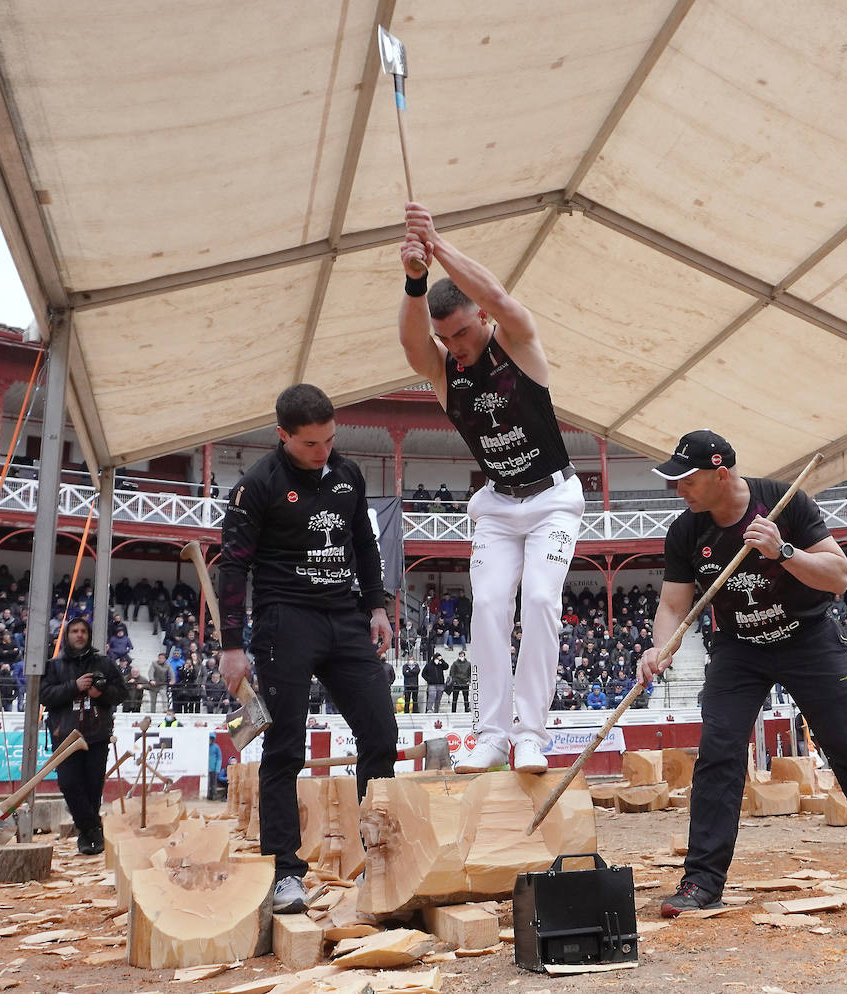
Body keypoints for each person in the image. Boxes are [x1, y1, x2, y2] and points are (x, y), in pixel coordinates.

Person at [638, 429, 847, 916]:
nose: (679, 490)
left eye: (686, 480)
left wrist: (784, 553)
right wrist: (660, 647)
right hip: (739, 649)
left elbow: (838, 577)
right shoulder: (686, 530)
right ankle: (701, 882)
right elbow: (673, 605)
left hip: (809, 639)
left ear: (720, 474)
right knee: (718, 756)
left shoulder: (784, 502)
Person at [398, 202, 585, 774]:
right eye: (444, 337)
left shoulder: (517, 341)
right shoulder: (443, 370)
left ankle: (531, 734)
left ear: (480, 316)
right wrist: (414, 278)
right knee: (488, 608)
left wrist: (438, 244)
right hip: (500, 506)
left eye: (460, 331)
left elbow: (503, 299)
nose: (454, 345)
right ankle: (491, 734)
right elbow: (411, 346)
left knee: (540, 600)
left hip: (553, 499)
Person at [218, 383, 397, 914]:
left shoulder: (347, 473)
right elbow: (233, 566)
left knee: (381, 733)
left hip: (344, 616)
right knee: (284, 749)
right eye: (311, 444)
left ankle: (381, 858)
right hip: (284, 621)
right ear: (283, 436)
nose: (324, 452)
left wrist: (378, 606)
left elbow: (364, 543)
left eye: (330, 439)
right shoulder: (257, 486)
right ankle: (285, 873)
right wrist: (232, 646)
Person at [38, 617, 128, 854]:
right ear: (67, 636)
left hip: (96, 734)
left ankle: (87, 835)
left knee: (92, 787)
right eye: (74, 631)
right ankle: (91, 829)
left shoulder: (104, 663)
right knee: (68, 784)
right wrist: (74, 687)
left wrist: (101, 692)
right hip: (65, 735)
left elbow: (122, 693)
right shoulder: (54, 666)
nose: (79, 635)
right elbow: (44, 695)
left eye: (83, 631)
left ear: (88, 635)